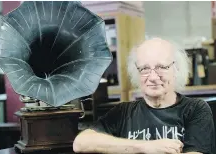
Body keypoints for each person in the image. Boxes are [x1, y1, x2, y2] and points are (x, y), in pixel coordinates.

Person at [73, 37, 215, 154]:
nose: (153, 77)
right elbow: (80, 143)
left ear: (176, 69)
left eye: (162, 67)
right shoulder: (123, 112)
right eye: (145, 68)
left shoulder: (196, 109)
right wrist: (145, 147)